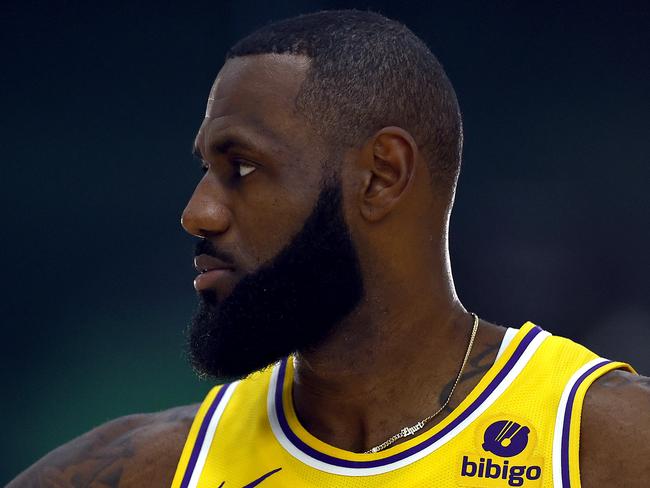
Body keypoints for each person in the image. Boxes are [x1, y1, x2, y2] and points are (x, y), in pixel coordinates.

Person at [9, 9, 649, 488]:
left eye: (244, 166)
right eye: (205, 169)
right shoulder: (152, 467)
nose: (197, 212)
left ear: (382, 175)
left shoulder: (601, 443)